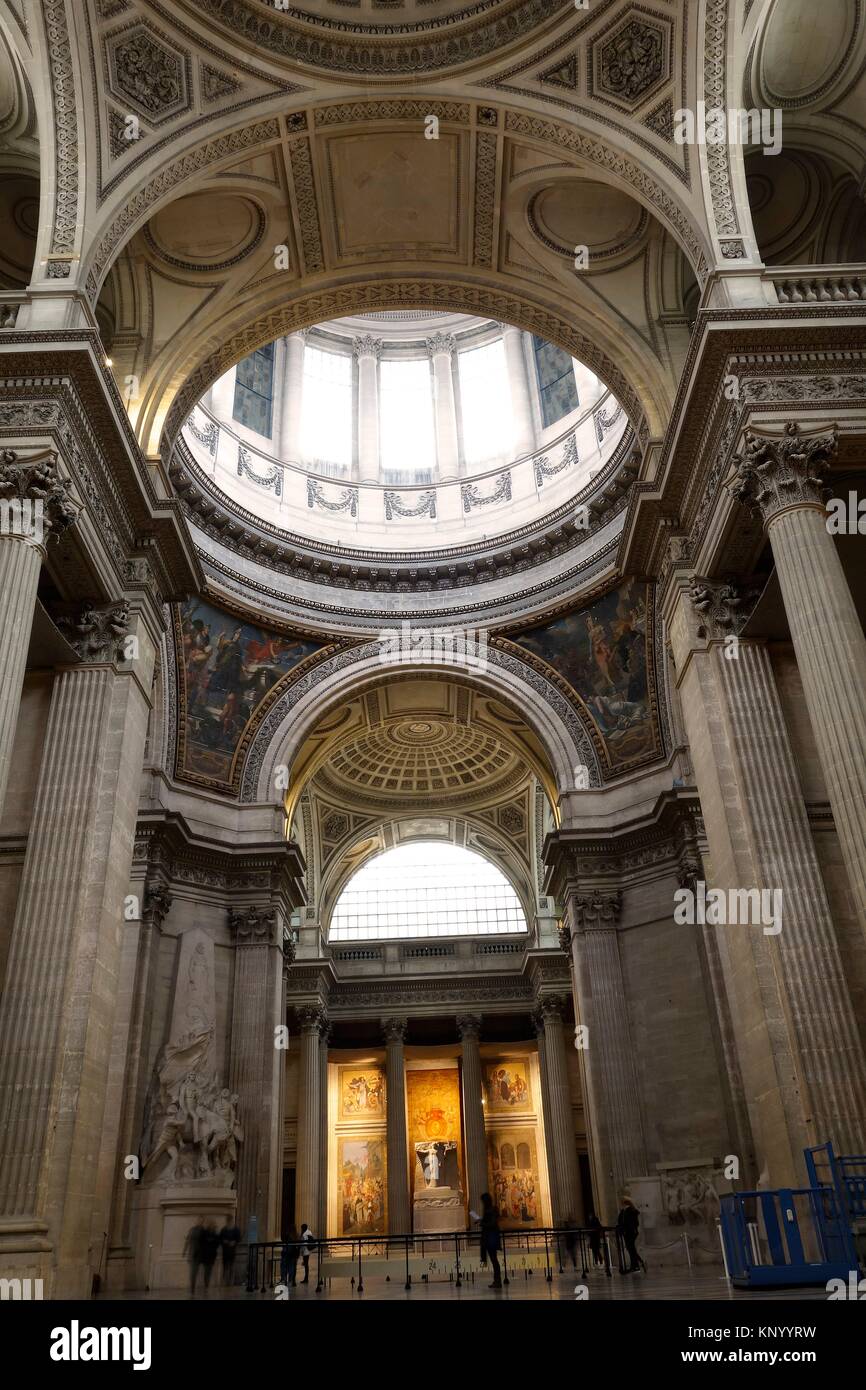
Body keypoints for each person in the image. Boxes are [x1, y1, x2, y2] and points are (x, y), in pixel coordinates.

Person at [479, 1192, 503, 1289]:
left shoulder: (492, 1210)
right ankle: (496, 1281)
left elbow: (492, 1224)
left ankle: (497, 1281)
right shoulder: (489, 1210)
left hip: (491, 1237)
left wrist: (482, 1224)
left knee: (494, 1260)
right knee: (494, 1260)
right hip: (490, 1237)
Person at [616, 1196, 644, 1274]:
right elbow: (620, 1222)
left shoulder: (631, 1211)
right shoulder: (623, 1212)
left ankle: (636, 1265)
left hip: (631, 1232)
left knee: (631, 1248)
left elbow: (635, 1222)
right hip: (626, 1233)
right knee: (630, 1249)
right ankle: (637, 1264)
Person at [198, 1220, 221, 1293]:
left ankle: (207, 1285)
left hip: (211, 1255)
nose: (212, 1226)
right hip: (205, 1255)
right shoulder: (205, 1233)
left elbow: (217, 1243)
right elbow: (201, 1242)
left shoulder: (215, 1234)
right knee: (206, 1271)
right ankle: (206, 1285)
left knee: (209, 1271)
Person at [184, 1219, 205, 1296]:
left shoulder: (203, 1231)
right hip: (193, 1254)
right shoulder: (193, 1230)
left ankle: (194, 1287)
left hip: (198, 1255)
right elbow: (187, 1241)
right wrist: (184, 1251)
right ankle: (192, 1287)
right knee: (193, 1272)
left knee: (195, 1272)